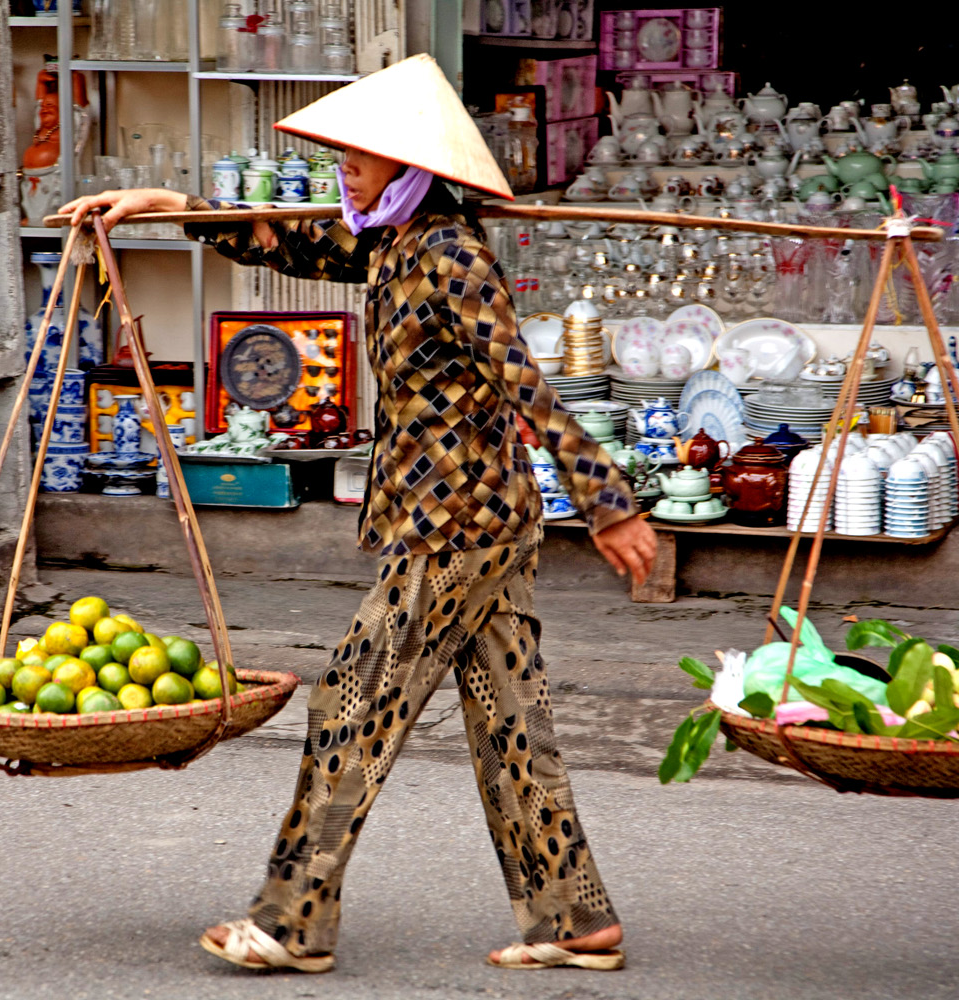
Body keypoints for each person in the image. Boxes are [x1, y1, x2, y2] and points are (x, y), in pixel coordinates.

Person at [60, 55, 656, 974]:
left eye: (365, 154)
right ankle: (571, 916)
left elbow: (526, 386)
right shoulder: (391, 240)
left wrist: (609, 506)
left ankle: (292, 918)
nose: (346, 165)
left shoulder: (452, 255)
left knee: (351, 705)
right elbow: (285, 241)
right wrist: (163, 202)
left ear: (414, 167)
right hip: (468, 521)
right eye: (344, 151)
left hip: (455, 527)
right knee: (510, 725)